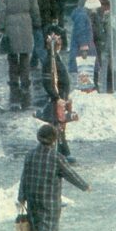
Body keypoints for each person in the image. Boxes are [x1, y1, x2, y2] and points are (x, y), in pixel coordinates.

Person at [18, 124, 91, 231]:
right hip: (49, 199)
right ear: (54, 140)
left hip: (33, 197)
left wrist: (22, 196)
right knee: (48, 228)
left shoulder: (30, 154)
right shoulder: (57, 157)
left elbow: (24, 176)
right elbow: (71, 175)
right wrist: (85, 186)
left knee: (43, 226)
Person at [0, 0, 41, 109]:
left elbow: (2, 8)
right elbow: (34, 7)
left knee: (11, 54)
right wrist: (37, 22)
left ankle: (14, 80)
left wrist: (1, 26)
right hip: (25, 21)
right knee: (24, 54)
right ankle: (25, 81)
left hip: (10, 22)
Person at [39, 29, 78, 162]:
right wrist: (56, 97)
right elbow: (48, 82)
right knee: (57, 127)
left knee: (60, 126)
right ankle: (63, 153)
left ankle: (62, 152)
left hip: (62, 97)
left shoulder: (55, 58)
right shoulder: (49, 60)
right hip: (57, 99)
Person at [31, 0, 58, 69]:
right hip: (36, 20)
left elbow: (52, 2)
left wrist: (55, 16)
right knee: (40, 43)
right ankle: (47, 66)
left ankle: (33, 62)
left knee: (42, 40)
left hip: (47, 19)